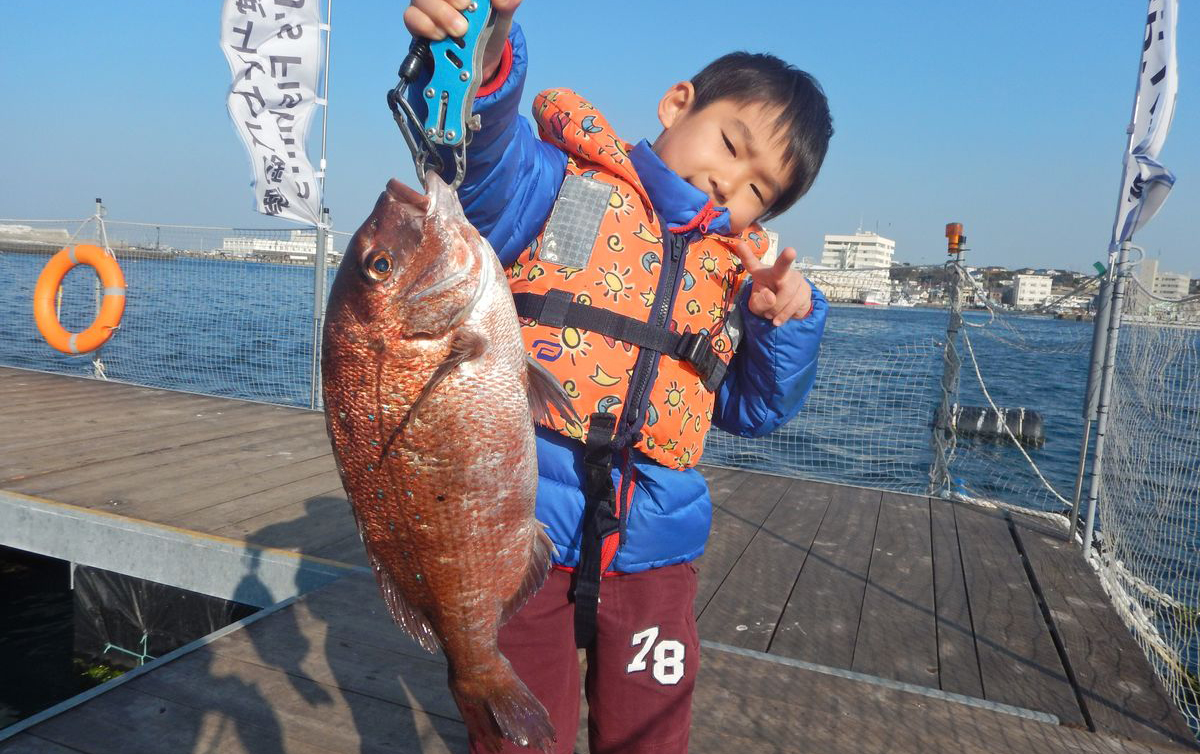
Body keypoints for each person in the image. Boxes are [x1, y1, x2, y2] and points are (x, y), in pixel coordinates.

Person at [402, 2, 832, 752]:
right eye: (732, 145)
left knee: (651, 736)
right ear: (677, 104)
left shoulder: (737, 277)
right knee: (521, 735)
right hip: (523, 535)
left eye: (761, 191)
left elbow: (754, 407)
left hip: (654, 557)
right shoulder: (557, 185)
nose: (732, 184)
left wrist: (782, 325)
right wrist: (487, 46)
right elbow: (483, 163)